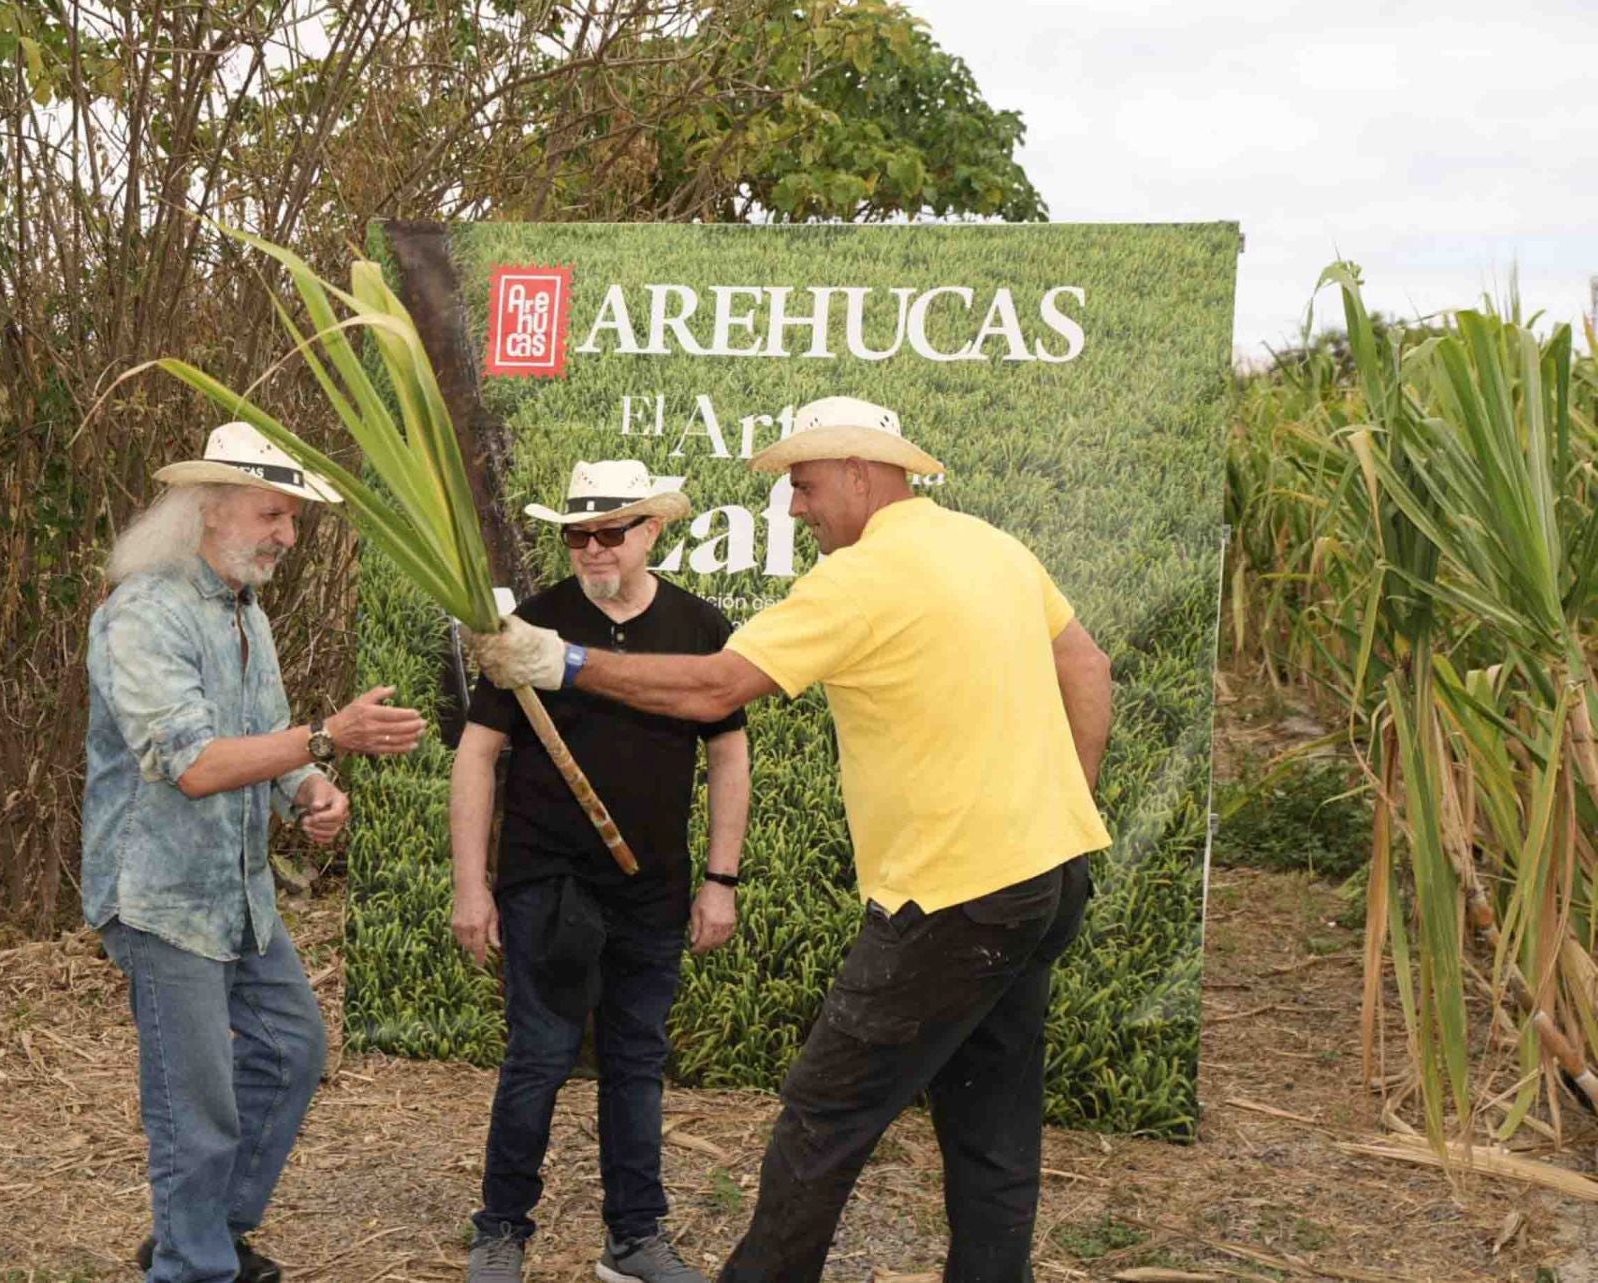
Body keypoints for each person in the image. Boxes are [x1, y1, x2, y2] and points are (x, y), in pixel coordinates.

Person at [468, 399, 1114, 1283]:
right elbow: (1088, 666)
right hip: (1048, 876)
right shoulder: (990, 546)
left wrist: (562, 662)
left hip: (952, 896)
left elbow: (715, 688)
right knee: (990, 1116)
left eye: (804, 485)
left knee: (824, 1113)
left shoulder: (862, 577)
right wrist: (1063, 808)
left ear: (858, 472)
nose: (796, 507)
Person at [83, 421, 429, 1283]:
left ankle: (204, 1232)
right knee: (194, 1106)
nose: (288, 535)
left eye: (292, 518)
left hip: (235, 895)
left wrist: (310, 789)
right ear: (209, 507)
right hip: (161, 898)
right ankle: (191, 1266)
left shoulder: (244, 612)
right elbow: (195, 764)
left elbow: (266, 737)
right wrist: (327, 736)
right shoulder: (145, 612)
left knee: (289, 1050)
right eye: (273, 514)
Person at [455, 460, 750, 1283]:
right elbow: (477, 754)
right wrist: (472, 884)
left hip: (653, 884)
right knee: (539, 1056)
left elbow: (729, 755)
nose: (592, 549)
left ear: (651, 530)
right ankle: (501, 1230)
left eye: (610, 532)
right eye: (577, 535)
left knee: (636, 1059)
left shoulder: (698, 625)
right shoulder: (529, 627)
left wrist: (720, 879)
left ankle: (634, 1238)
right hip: (548, 879)